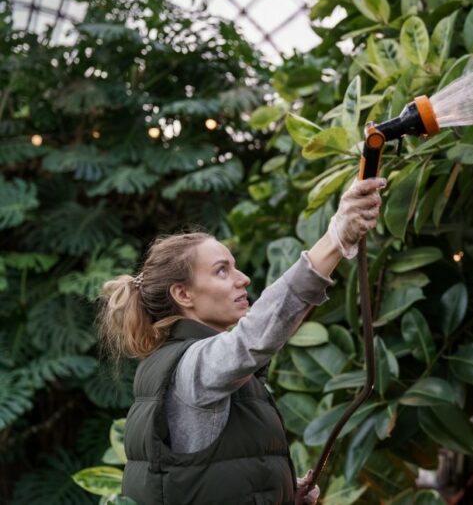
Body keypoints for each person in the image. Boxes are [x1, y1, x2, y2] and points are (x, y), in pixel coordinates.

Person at [97, 177, 387, 505]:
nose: (243, 279)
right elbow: (255, 336)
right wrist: (335, 239)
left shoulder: (188, 366)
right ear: (183, 294)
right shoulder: (193, 367)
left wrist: (282, 495)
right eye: (222, 271)